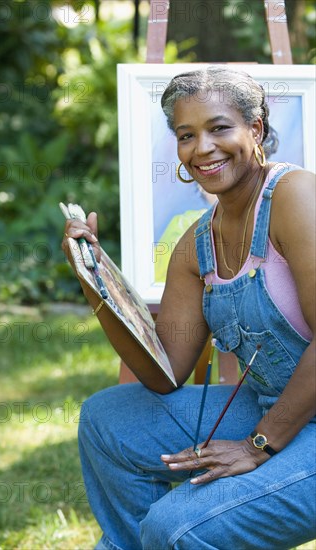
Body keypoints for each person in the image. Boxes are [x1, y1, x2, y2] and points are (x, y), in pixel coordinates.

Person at [62, 67, 315, 550]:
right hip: (275, 405)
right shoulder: (196, 244)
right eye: (186, 135)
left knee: (178, 526)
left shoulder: (296, 196)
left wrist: (258, 444)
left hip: (291, 425)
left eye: (219, 128)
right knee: (108, 419)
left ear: (255, 129)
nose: (202, 148)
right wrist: (94, 283)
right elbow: (164, 374)